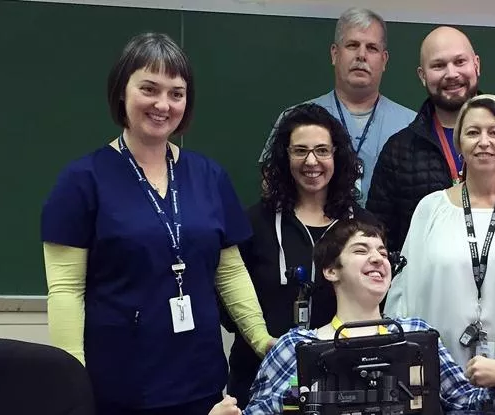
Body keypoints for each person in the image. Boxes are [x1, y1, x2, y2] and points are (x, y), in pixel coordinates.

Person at [40, 32, 274, 414]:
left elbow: (229, 271)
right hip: (121, 384)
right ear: (122, 91)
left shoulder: (209, 176)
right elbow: (66, 289)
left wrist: (260, 337)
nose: (163, 104)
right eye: (149, 89)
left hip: (201, 379)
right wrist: (72, 374)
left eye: (176, 93)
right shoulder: (82, 180)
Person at [234, 218, 495, 414]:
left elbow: (465, 406)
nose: (377, 259)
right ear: (331, 270)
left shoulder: (416, 337)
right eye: (361, 250)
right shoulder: (296, 346)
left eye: (383, 253)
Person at [384, 94, 495, 402]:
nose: (484, 141)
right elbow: (402, 301)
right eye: (473, 132)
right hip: (435, 387)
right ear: (459, 143)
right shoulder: (431, 209)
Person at [222, 103, 380, 407]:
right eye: (300, 151)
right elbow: (227, 301)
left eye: (322, 150)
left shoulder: (363, 226)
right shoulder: (252, 224)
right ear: (285, 157)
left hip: (343, 381)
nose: (311, 161)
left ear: (337, 156)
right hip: (261, 379)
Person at [367, 26, 495, 252]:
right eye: (438, 65)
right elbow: (378, 237)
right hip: (429, 283)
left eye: (459, 62)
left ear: (476, 64)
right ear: (422, 76)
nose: (452, 74)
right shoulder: (399, 151)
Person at [259, 7, 416, 205]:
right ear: (335, 54)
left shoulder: (412, 125)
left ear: (384, 60)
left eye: (372, 48)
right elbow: (271, 191)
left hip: (388, 235)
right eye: (352, 45)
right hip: (313, 234)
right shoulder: (295, 120)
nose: (361, 55)